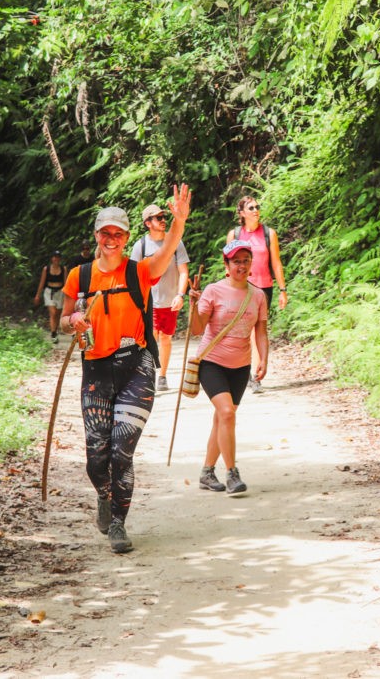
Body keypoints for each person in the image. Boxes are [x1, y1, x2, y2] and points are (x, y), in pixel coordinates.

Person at [60, 184, 192, 554]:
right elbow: (62, 322)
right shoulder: (79, 275)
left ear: (127, 237)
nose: (112, 239)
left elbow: (168, 251)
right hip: (96, 369)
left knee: (121, 450)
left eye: (119, 233)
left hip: (136, 365)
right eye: (106, 233)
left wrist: (178, 221)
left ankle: (118, 523)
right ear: (97, 236)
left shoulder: (141, 272)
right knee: (95, 456)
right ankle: (104, 495)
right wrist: (73, 321)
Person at [188, 239, 268, 495]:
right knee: (227, 413)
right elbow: (197, 329)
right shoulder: (213, 291)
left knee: (223, 418)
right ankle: (232, 474)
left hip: (240, 366)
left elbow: (261, 332)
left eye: (245, 260)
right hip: (213, 362)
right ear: (226, 264)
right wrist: (192, 305)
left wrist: (263, 359)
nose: (241, 266)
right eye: (236, 261)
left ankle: (206, 472)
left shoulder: (257, 295)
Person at [225, 196, 287, 393]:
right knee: (246, 331)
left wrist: (283, 290)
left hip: (263, 288)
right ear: (242, 213)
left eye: (257, 207)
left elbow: (276, 263)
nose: (256, 210)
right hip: (241, 288)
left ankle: (257, 374)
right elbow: (227, 265)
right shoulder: (234, 235)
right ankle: (246, 372)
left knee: (259, 329)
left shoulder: (269, 233)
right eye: (251, 208)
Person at [129, 203, 189, 390]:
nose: (163, 221)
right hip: (149, 301)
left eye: (164, 217)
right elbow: (132, 276)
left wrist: (180, 295)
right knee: (151, 337)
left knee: (166, 338)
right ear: (148, 222)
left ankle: (162, 375)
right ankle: (149, 374)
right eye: (158, 218)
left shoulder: (175, 242)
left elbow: (184, 271)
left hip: (170, 300)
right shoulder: (141, 245)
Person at [34, 251, 66, 343]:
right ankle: (53, 334)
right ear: (52, 258)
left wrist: (68, 296)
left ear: (60, 259)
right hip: (49, 292)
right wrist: (37, 295)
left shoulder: (63, 269)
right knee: (53, 312)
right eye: (54, 257)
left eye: (58, 257)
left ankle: (55, 331)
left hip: (60, 292)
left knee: (57, 314)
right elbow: (42, 282)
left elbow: (66, 283)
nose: (56, 259)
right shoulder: (46, 269)